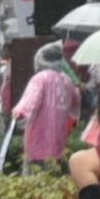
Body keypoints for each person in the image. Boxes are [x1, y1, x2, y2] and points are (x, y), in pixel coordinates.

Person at [13, 42, 81, 172]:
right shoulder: (66, 80)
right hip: (59, 138)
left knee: (36, 175)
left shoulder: (39, 79)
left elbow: (29, 105)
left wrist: (17, 113)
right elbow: (76, 101)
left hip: (38, 138)